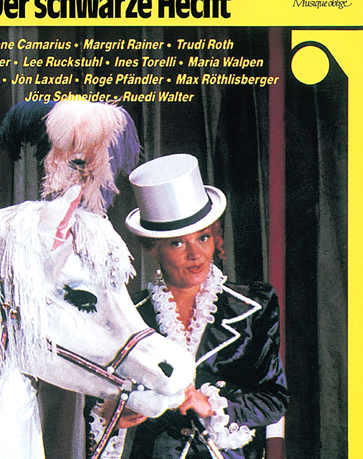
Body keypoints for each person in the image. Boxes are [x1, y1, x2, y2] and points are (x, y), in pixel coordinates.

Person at [86, 153, 288, 459]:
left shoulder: (254, 307)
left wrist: (214, 406)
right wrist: (115, 413)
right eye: (178, 243)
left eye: (203, 238)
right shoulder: (128, 314)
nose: (196, 254)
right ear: (154, 248)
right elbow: (97, 399)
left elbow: (274, 399)